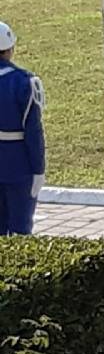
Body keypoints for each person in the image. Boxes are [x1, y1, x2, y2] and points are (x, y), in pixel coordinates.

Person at [0, 22, 46, 236]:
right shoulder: (24, 82)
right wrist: (38, 169)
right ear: (10, 49)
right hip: (18, 163)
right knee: (20, 229)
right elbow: (33, 131)